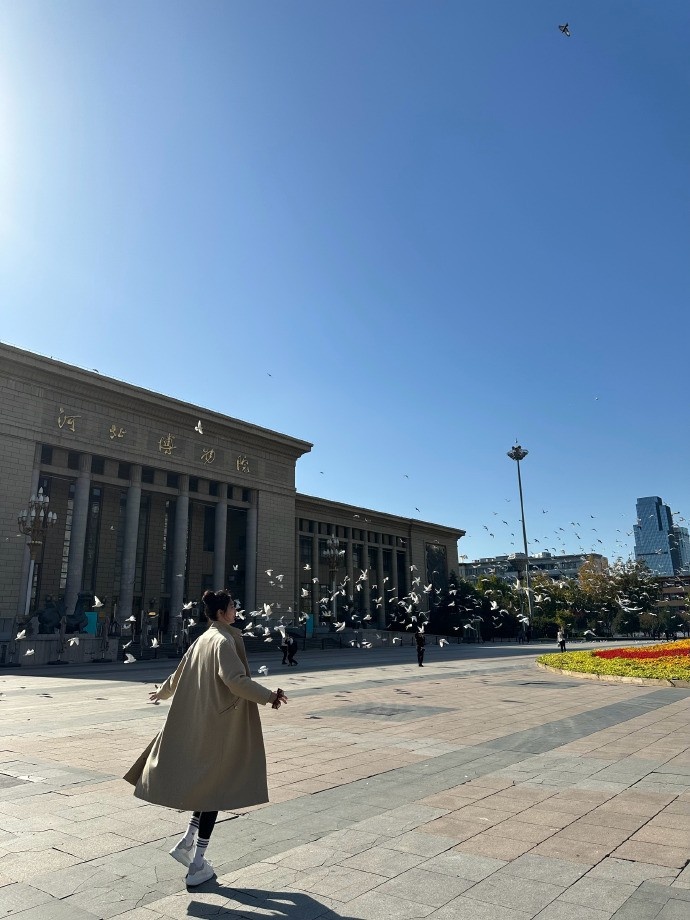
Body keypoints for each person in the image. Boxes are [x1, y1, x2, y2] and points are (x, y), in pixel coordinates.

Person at [123, 590, 288, 887]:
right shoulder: (223, 641)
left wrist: (162, 691)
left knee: (207, 785)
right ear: (222, 612)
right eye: (233, 606)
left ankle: (187, 842)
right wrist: (269, 697)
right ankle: (198, 863)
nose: (236, 611)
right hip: (219, 726)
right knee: (216, 790)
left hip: (204, 722)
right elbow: (235, 680)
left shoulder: (202, 639)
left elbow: (177, 674)